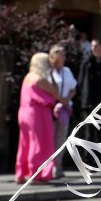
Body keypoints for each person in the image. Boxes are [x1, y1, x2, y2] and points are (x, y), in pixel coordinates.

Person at [15, 52, 60, 184]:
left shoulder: (28, 77)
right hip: (37, 112)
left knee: (25, 143)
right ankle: (35, 174)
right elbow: (55, 91)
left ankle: (21, 173)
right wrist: (51, 74)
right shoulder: (40, 79)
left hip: (24, 111)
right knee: (40, 143)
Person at [48, 45, 77, 178]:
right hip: (51, 108)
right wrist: (59, 99)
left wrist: (66, 100)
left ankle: (57, 166)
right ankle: (48, 167)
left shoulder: (67, 71)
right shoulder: (49, 72)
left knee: (61, 138)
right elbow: (48, 90)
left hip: (64, 109)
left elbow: (73, 88)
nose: (64, 57)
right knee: (50, 138)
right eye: (61, 55)